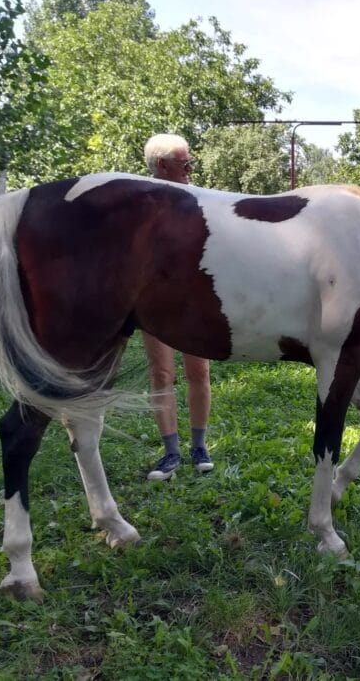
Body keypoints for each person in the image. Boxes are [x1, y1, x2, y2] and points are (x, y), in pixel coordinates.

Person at [142, 133, 214, 480]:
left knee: (199, 372)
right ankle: (170, 453)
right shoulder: (141, 201)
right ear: (162, 165)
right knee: (161, 374)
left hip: (193, 301)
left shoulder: (199, 200)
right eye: (185, 163)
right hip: (155, 301)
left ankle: (199, 447)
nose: (190, 168)